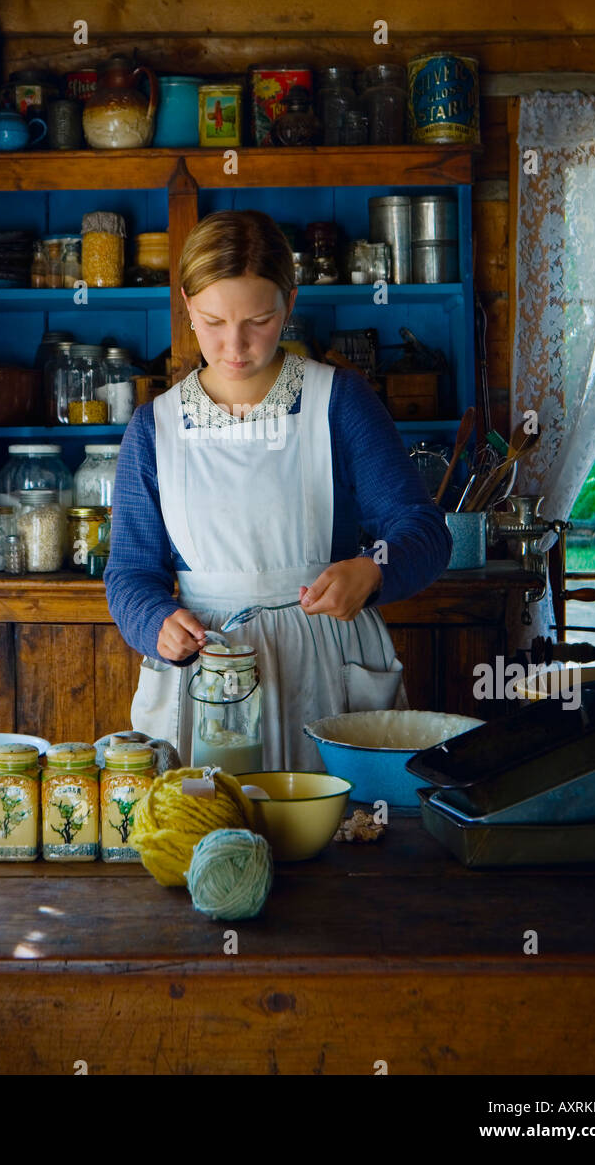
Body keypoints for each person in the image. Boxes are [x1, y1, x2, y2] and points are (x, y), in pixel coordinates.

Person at [105, 210, 452, 770]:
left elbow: (423, 531)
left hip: (325, 657)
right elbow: (130, 573)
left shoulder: (339, 401)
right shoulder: (156, 428)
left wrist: (372, 571)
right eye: (213, 322)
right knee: (208, 832)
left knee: (341, 838)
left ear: (289, 304)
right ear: (188, 308)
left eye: (259, 320)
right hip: (207, 671)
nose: (235, 346)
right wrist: (155, 622)